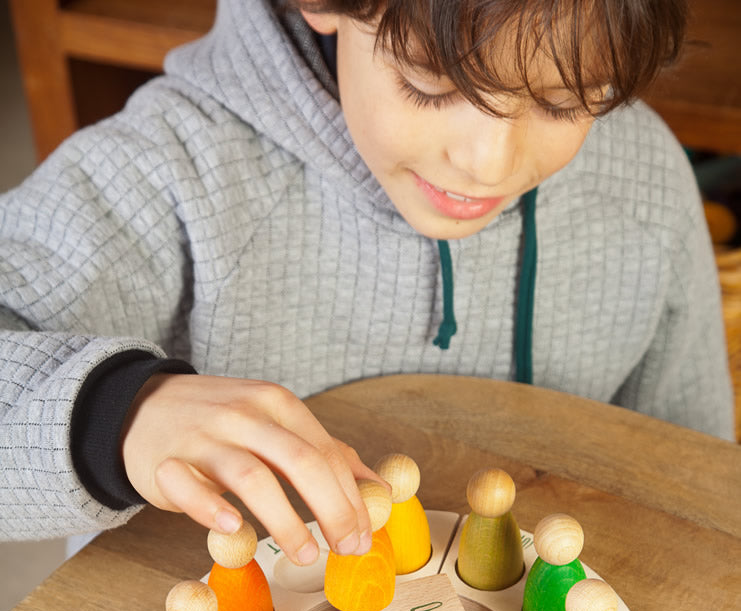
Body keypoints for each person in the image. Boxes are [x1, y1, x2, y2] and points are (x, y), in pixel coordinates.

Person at [0, 0, 733, 561]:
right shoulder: (167, 168)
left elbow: (691, 481)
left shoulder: (643, 178)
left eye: (564, 103)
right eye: (429, 84)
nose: (488, 162)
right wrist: (114, 414)